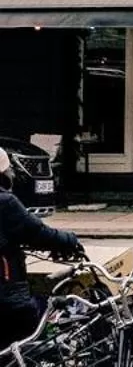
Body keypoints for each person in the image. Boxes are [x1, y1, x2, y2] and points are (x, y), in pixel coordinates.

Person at [0, 147, 87, 351]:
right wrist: (70, 241)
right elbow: (40, 233)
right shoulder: (5, 202)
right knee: (46, 315)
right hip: (9, 301)